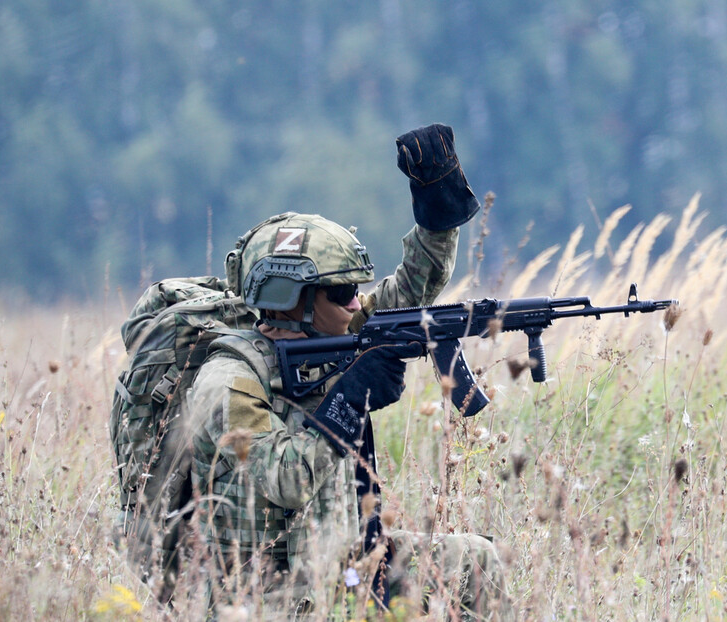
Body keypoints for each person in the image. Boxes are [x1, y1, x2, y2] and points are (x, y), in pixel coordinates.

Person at [183, 124, 510, 619]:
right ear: (292, 301)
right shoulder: (228, 378)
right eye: (342, 292)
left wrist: (436, 203)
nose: (357, 300)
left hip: (340, 561)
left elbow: (414, 287)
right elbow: (286, 480)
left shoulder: (330, 334)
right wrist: (350, 395)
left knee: (475, 561)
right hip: (265, 594)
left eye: (357, 287)